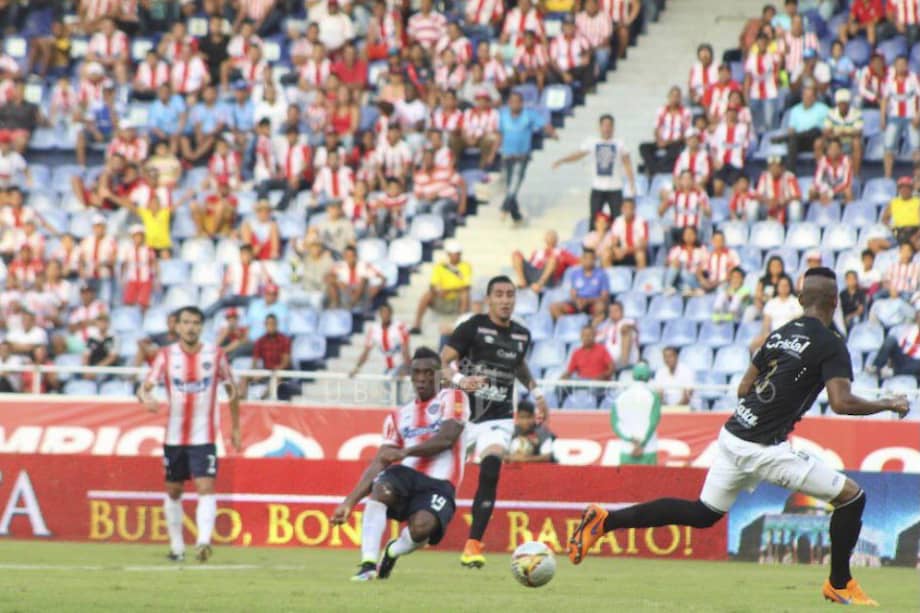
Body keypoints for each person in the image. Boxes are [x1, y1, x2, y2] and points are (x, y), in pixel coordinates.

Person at [567, 267, 910, 608]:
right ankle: (840, 584)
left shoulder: (779, 334)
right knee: (852, 497)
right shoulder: (830, 344)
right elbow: (841, 402)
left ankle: (606, 520)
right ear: (835, 302)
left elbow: (744, 387)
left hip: (734, 434)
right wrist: (888, 402)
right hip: (761, 448)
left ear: (801, 298)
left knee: (704, 513)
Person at [332, 347, 470, 581]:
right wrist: (349, 502)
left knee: (422, 528)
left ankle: (392, 550)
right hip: (406, 475)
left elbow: (447, 438)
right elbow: (381, 459)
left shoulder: (454, 397)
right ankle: (367, 564)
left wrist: (406, 451)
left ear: (439, 375)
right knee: (381, 488)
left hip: (440, 483)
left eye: (429, 372)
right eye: (417, 373)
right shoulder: (399, 415)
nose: (422, 378)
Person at [441, 275, 546, 568]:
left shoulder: (522, 335)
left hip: (497, 418)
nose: (505, 300)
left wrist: (537, 393)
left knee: (491, 469)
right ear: (489, 299)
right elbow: (443, 361)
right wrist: (463, 380)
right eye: (499, 294)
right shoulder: (472, 327)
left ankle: (473, 544)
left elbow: (519, 365)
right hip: (463, 416)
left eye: (510, 294)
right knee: (438, 478)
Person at [139, 306, 241, 563]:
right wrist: (147, 398)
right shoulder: (166, 355)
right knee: (173, 491)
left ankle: (203, 541)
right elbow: (145, 387)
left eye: (195, 322)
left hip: (204, 435)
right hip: (174, 437)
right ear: (177, 326)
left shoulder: (215, 355)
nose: (191, 327)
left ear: (201, 326)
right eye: (186, 322)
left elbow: (232, 391)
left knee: (205, 485)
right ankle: (177, 547)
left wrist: (236, 428)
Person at [552, 114, 636, 227]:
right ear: (600, 127)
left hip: (615, 187)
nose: (607, 128)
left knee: (617, 219)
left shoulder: (620, 143)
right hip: (597, 187)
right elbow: (578, 155)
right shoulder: (592, 142)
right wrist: (562, 160)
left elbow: (627, 163)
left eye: (609, 125)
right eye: (604, 125)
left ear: (613, 127)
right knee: (594, 219)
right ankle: (592, 242)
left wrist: (631, 182)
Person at [497, 92, 556, 224]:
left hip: (521, 156)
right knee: (509, 186)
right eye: (512, 101)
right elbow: (500, 134)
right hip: (507, 155)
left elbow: (544, 124)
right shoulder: (504, 116)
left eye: (517, 101)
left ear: (521, 103)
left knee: (514, 184)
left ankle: (504, 207)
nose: (515, 104)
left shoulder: (529, 115)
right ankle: (516, 216)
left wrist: (552, 133)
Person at [410, 240, 472, 334]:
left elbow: (466, 286)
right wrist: (438, 291)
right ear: (449, 254)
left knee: (465, 294)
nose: (457, 256)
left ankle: (460, 326)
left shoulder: (466, 266)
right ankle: (416, 324)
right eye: (455, 254)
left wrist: (448, 290)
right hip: (441, 299)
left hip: (456, 300)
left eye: (458, 254)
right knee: (427, 294)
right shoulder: (440, 266)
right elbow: (432, 285)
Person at [609, 362, 661, 465]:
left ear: (633, 376)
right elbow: (653, 422)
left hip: (627, 449)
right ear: (648, 377)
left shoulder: (620, 397)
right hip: (648, 449)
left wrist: (630, 439)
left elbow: (615, 424)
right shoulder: (653, 396)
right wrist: (642, 444)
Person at [350, 302, 411, 380]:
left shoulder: (400, 327)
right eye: (383, 313)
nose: (385, 315)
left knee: (390, 380)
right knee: (386, 383)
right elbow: (366, 352)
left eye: (387, 313)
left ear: (391, 314)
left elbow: (406, 350)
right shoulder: (374, 330)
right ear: (380, 314)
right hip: (386, 368)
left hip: (400, 366)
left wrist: (406, 368)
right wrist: (357, 368)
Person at [549, 248, 610, 319]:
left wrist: (587, 301)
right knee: (554, 307)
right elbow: (573, 293)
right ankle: (567, 326)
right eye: (585, 258)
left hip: (593, 303)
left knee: (601, 307)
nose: (588, 261)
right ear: (581, 259)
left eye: (591, 258)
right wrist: (577, 301)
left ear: (595, 260)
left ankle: (591, 328)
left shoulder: (602, 274)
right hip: (578, 303)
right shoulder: (575, 274)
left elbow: (604, 297)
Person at [510, 229, 578, 292]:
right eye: (548, 236)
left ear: (556, 240)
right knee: (516, 254)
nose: (550, 238)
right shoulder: (537, 252)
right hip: (534, 273)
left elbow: (578, 262)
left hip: (547, 278)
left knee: (552, 259)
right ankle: (522, 281)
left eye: (552, 237)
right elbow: (529, 265)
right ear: (545, 239)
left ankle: (539, 284)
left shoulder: (562, 253)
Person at [823, 89, 864, 176]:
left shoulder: (857, 114)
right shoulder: (831, 113)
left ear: (848, 104)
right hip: (836, 141)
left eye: (844, 104)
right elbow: (827, 131)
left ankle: (855, 175)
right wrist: (839, 134)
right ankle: (826, 173)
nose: (842, 106)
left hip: (850, 142)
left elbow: (858, 132)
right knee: (822, 143)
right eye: (840, 104)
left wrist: (843, 133)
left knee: (857, 142)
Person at [869, 309, 920, 376]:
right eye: (918, 318)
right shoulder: (910, 330)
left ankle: (893, 372)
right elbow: (901, 345)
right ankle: (876, 367)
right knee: (891, 340)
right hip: (903, 357)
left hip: (916, 362)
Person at [596, 301, 638, 370]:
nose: (613, 314)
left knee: (625, 330)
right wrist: (595, 325)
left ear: (622, 312)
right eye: (611, 311)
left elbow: (634, 326)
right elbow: (596, 339)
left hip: (626, 359)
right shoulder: (607, 325)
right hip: (610, 362)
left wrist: (626, 327)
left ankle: (624, 362)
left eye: (616, 311)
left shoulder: (627, 321)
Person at [881, 176, 920, 248]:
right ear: (898, 189)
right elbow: (884, 219)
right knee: (873, 243)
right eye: (901, 187)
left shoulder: (918, 202)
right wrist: (893, 229)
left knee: (914, 245)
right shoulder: (893, 202)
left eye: (907, 187)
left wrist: (917, 235)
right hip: (899, 232)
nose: (904, 190)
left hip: (914, 231)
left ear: (911, 189)